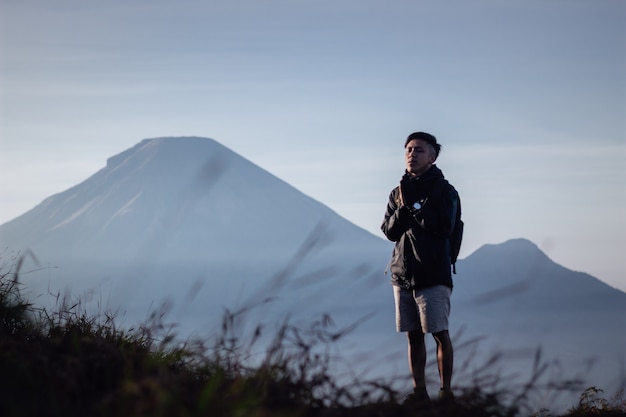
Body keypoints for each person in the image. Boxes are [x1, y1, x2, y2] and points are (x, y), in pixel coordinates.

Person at [381, 131, 460, 406]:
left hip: (434, 273)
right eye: (409, 150)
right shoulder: (396, 192)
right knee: (413, 335)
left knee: (439, 332)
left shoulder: (445, 191)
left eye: (419, 150)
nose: (412, 154)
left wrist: (414, 207)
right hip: (403, 274)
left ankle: (445, 392)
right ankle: (419, 392)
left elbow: (444, 227)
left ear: (433, 157)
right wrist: (406, 207)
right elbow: (389, 231)